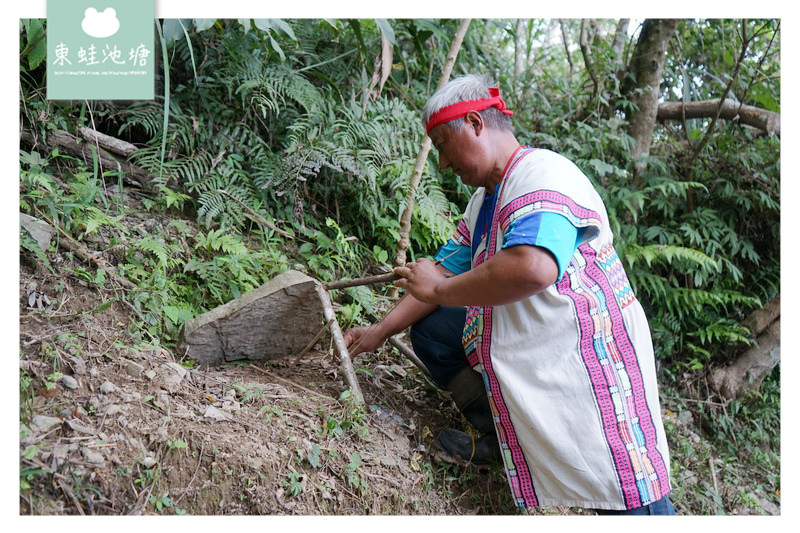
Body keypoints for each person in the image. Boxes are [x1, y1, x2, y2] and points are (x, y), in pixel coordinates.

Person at [343, 74, 675, 514]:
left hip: (585, 359)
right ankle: (498, 437)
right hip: (537, 343)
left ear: (477, 123)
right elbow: (445, 270)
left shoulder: (545, 175)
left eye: (443, 144)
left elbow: (533, 267)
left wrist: (440, 289)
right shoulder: (484, 202)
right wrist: (381, 331)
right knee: (437, 327)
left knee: (623, 488)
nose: (443, 163)